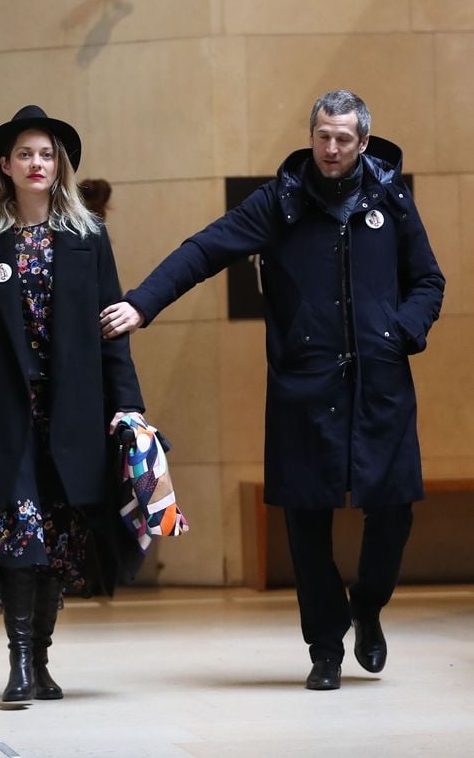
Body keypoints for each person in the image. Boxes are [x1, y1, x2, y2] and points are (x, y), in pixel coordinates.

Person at [100, 90, 445, 691]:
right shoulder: (278, 202)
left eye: (343, 138)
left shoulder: (390, 197)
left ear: (363, 142)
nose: (331, 148)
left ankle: (366, 602)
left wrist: (401, 330)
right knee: (304, 521)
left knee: (392, 512)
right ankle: (325, 648)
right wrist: (141, 303)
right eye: (322, 136)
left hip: (380, 386)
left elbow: (428, 280)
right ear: (311, 135)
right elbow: (203, 250)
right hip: (303, 387)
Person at [0, 105, 144, 703]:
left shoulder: (87, 237)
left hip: (72, 414)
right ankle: (20, 664)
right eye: (24, 153)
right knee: (19, 534)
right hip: (2, 417)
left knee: (58, 539)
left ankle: (42, 661)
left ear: (60, 166)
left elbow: (111, 330)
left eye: (46, 154)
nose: (36, 163)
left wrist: (128, 408)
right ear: (4, 165)